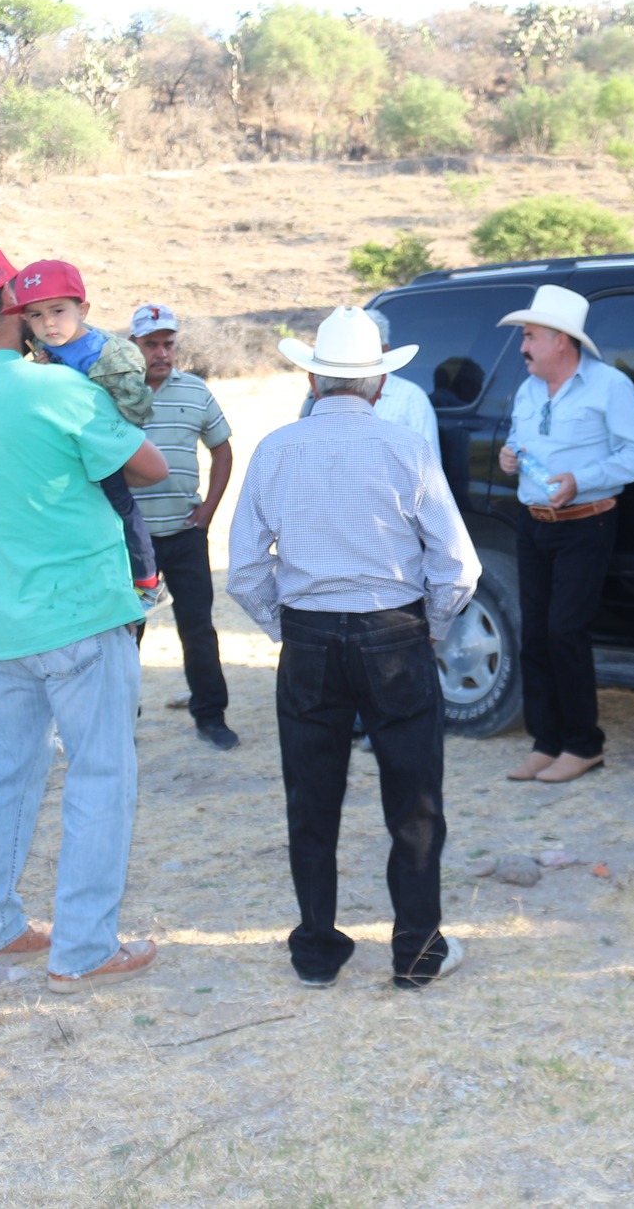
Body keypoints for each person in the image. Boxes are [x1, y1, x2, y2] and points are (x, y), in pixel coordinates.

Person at [0, 243, 171, 994]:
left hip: (4, 619)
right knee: (101, 774)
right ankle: (85, 945)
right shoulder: (53, 392)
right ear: (12, 305)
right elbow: (151, 465)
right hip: (81, 610)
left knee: (7, 773)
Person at [227, 306, 480, 990]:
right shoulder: (406, 447)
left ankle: (316, 946)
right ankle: (417, 948)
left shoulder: (277, 448)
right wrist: (428, 624)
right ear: (376, 382)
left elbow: (246, 569)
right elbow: (458, 565)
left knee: (311, 798)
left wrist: (288, 627)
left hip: (310, 635)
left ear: (312, 378)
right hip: (391, 631)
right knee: (415, 798)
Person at [494, 285, 634, 783]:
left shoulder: (609, 386)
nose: (523, 346)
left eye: (530, 336)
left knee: (565, 631)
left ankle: (584, 745)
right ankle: (548, 741)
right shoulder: (528, 388)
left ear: (561, 341)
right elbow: (522, 443)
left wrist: (580, 481)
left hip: (586, 523)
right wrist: (508, 455)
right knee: (535, 634)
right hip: (533, 523)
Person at [7, 260, 166, 611]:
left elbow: (134, 408)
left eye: (58, 310)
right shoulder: (43, 342)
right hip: (69, 450)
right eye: (35, 314)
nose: (48, 322)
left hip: (103, 445)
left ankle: (149, 582)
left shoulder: (106, 356)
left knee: (121, 508)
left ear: (83, 310)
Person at [127, 302, 239, 751]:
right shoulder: (115, 396)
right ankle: (120, 722)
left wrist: (208, 509)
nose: (161, 352)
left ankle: (211, 716)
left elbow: (223, 450)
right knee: (127, 632)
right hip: (132, 541)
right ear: (134, 346)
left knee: (197, 629)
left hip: (186, 535)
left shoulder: (196, 391)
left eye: (168, 344)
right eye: (151, 344)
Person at [299, 309, 441, 458]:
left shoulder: (411, 396)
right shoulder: (410, 444)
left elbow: (430, 458)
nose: (349, 356)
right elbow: (427, 468)